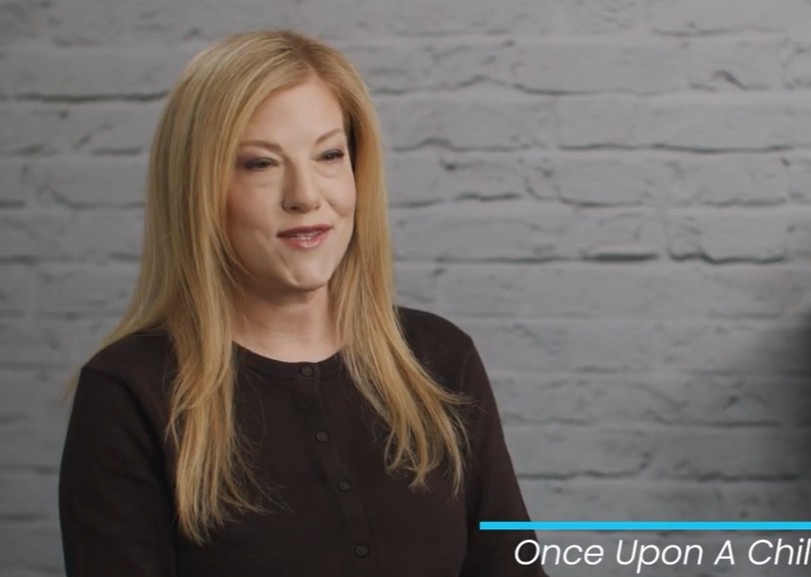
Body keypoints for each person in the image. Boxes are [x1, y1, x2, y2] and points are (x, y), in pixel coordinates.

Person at [58, 29, 548, 577]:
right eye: (260, 164)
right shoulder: (129, 392)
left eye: (330, 155)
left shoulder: (439, 359)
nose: (306, 196)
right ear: (198, 190)